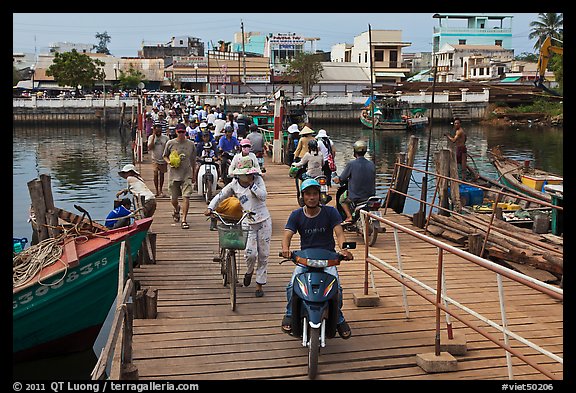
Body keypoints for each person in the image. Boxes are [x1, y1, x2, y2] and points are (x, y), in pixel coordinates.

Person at [280, 178, 353, 339]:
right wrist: (285, 249)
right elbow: (287, 234)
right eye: (308, 194)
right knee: (292, 286)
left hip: (328, 258)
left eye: (315, 194)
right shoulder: (296, 215)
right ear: (302, 197)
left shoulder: (330, 212)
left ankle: (338, 318)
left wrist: (344, 249)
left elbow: (339, 233)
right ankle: (290, 314)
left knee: (337, 290)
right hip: (305, 259)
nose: (312, 197)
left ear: (320, 196)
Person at [204, 155, 272, 298]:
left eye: (249, 174)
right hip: (247, 221)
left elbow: (263, 196)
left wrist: (252, 185)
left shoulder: (258, 181)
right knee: (250, 253)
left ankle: (260, 284)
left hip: (263, 220)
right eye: (244, 175)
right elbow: (220, 195)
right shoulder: (234, 184)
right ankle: (249, 271)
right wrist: (211, 208)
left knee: (264, 254)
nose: (247, 177)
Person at [163, 121, 197, 230]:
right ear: (176, 132)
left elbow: (193, 160)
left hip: (186, 173)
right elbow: (164, 156)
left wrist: (194, 174)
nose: (181, 134)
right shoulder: (170, 143)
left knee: (186, 196)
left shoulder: (191, 144)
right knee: (173, 198)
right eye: (179, 132)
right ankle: (176, 209)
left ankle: (184, 219)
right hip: (174, 175)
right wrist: (169, 162)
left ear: (185, 132)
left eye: (183, 132)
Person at [333, 140, 376, 224]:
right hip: (370, 195)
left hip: (356, 196)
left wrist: (336, 179)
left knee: (342, 200)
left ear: (354, 151)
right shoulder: (371, 164)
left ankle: (349, 217)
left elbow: (342, 178)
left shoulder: (351, 164)